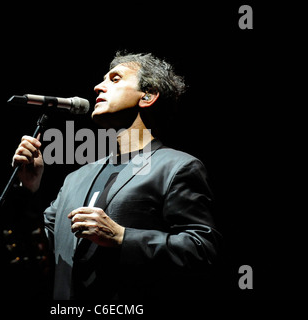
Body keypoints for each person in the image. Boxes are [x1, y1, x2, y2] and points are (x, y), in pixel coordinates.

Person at [12, 52, 222, 300]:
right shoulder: (76, 177)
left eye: (114, 79)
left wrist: (123, 237)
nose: (98, 86)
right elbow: (40, 251)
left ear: (147, 95)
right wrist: (28, 190)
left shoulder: (177, 167)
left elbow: (203, 251)